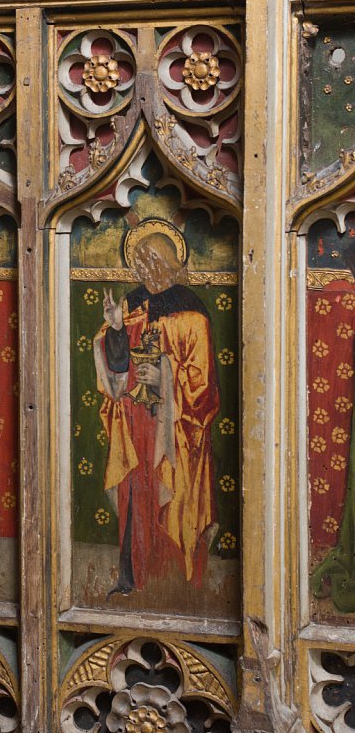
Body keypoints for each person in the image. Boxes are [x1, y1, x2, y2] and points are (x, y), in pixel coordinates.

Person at [93, 218, 219, 594]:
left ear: (168, 262)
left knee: (173, 501)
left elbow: (203, 385)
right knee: (137, 497)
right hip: (135, 424)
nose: (144, 270)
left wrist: (164, 376)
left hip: (176, 430)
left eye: (151, 261)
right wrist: (115, 329)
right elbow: (114, 365)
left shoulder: (192, 312)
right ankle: (134, 578)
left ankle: (175, 585)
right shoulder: (131, 304)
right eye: (138, 263)